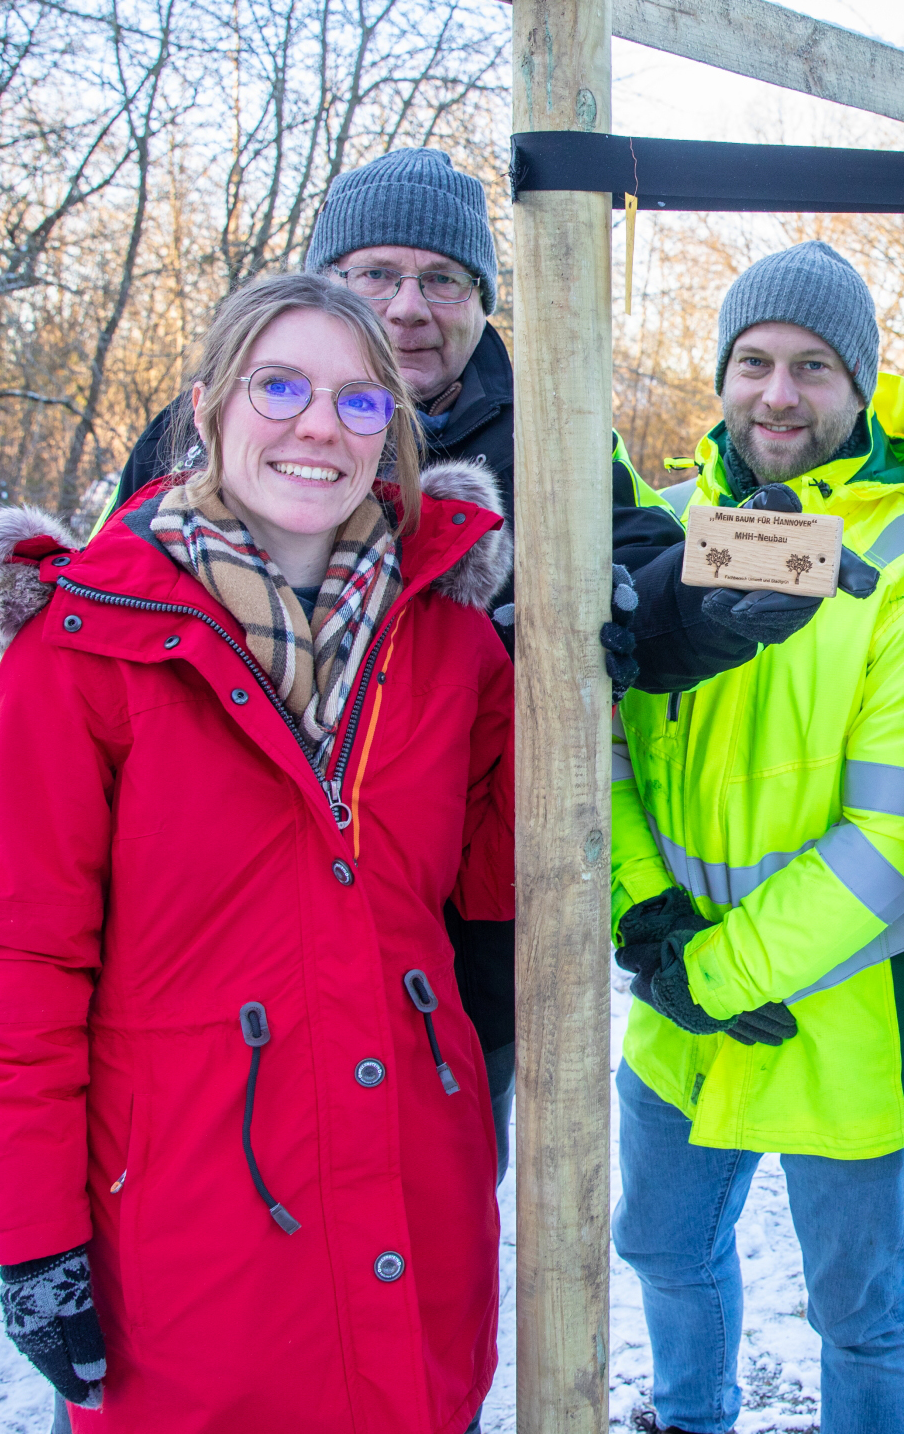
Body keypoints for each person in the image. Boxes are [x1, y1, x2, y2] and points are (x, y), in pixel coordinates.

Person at [106, 147, 846, 1170]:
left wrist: (718, 595)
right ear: (325, 282)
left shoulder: (554, 430)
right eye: (376, 274)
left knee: (430, 1215)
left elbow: (639, 574)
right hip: (228, 935)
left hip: (458, 935)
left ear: (480, 301)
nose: (409, 306)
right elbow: (120, 643)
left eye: (442, 279)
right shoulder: (214, 424)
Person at [0, 273, 515, 1429]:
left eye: (358, 402)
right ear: (207, 408)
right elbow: (24, 964)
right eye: (280, 385)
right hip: (192, 1211)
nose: (316, 425)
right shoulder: (84, 652)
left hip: (409, 1180)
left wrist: (621, 650)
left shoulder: (449, 643)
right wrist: (34, 1241)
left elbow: (510, 886)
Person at [609, 240, 904, 1434]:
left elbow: (891, 835)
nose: (778, 393)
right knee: (662, 1248)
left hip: (837, 1006)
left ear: (863, 388)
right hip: (674, 998)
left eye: (813, 368)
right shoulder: (665, 526)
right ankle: (689, 1417)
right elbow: (609, 754)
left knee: (860, 1307)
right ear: (720, 377)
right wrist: (643, 921)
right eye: (754, 362)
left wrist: (716, 973)